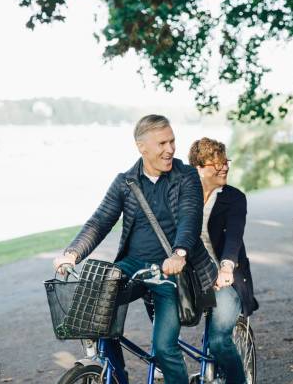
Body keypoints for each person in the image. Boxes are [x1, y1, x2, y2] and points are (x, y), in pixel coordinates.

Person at [52, 114, 217, 384]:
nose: (171, 149)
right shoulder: (125, 182)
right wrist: (72, 253)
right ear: (142, 147)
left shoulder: (186, 176)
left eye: (172, 141)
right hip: (132, 265)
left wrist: (179, 254)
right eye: (162, 143)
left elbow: (190, 218)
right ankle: (114, 375)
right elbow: (99, 221)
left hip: (170, 272)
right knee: (96, 308)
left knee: (164, 348)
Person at [188, 137, 258, 384]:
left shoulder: (234, 198)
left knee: (219, 341)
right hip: (191, 278)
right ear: (199, 167)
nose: (224, 167)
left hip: (226, 279)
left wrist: (227, 267)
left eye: (225, 162)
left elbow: (234, 237)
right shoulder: (186, 197)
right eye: (216, 164)